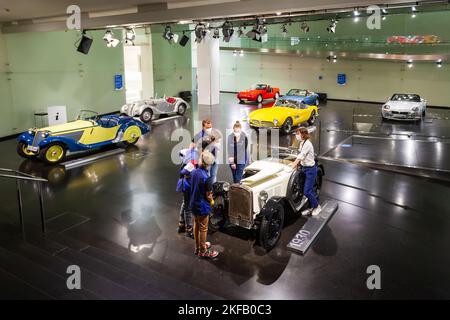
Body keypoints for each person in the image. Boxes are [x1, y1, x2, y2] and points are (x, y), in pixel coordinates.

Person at [189, 151, 219, 259]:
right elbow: (208, 195)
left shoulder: (193, 172)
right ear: (209, 164)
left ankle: (198, 247)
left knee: (196, 226)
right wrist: (212, 201)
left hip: (193, 204)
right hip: (202, 207)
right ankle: (203, 251)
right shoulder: (207, 178)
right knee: (203, 228)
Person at [289, 127, 322, 216]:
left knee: (307, 191)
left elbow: (301, 155)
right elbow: (301, 155)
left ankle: (317, 207)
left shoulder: (307, 144)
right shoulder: (302, 143)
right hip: (304, 168)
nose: (296, 136)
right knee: (304, 190)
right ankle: (311, 207)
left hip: (310, 170)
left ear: (303, 135)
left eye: (298, 134)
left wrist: (294, 164)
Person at [176, 144, 199, 238]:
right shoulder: (195, 157)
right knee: (188, 207)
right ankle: (188, 229)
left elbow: (180, 153)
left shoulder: (187, 151)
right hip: (188, 184)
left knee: (185, 203)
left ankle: (181, 224)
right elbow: (184, 172)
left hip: (186, 182)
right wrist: (189, 173)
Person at [193, 119, 219, 184]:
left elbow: (218, 141)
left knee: (213, 175)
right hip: (206, 160)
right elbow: (193, 145)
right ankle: (207, 190)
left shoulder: (214, 133)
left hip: (215, 158)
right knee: (206, 175)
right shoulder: (199, 135)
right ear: (203, 127)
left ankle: (212, 189)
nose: (209, 128)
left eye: (210, 127)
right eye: (207, 127)